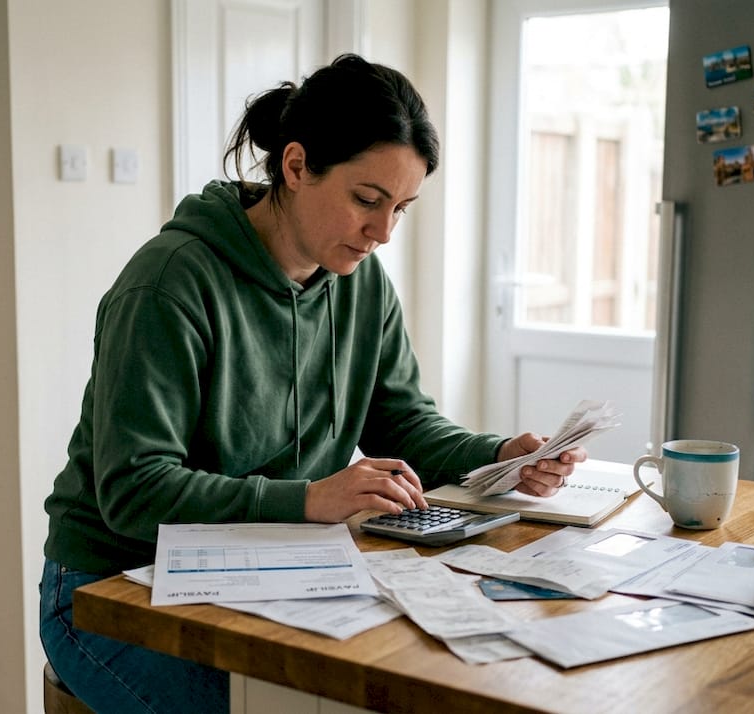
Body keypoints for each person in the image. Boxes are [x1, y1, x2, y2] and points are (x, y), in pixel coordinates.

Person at [39, 53, 587, 714]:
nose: (383, 232)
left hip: (274, 567)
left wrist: (498, 457)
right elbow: (135, 489)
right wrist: (309, 499)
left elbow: (403, 421)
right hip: (112, 587)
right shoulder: (169, 284)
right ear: (296, 167)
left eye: (401, 209)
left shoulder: (361, 283)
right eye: (367, 200)